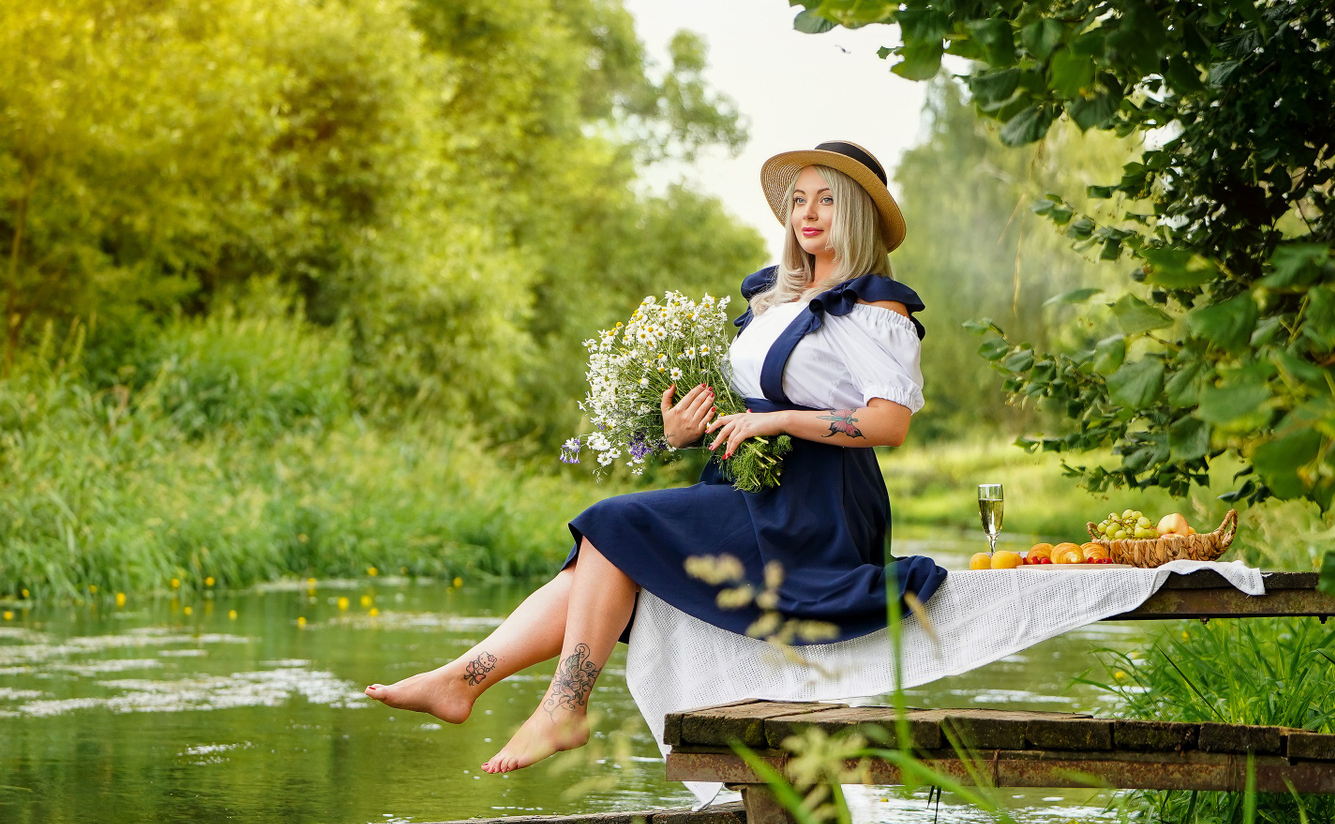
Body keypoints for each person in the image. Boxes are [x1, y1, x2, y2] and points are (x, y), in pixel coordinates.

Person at [365, 141, 947, 772]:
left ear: (857, 211)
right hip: (745, 490)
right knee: (602, 553)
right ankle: (465, 679)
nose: (806, 213)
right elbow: (745, 409)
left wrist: (777, 419)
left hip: (816, 508)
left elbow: (888, 424)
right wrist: (687, 431)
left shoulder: (875, 307)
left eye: (826, 200)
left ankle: (559, 707)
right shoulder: (776, 300)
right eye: (798, 200)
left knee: (613, 525)